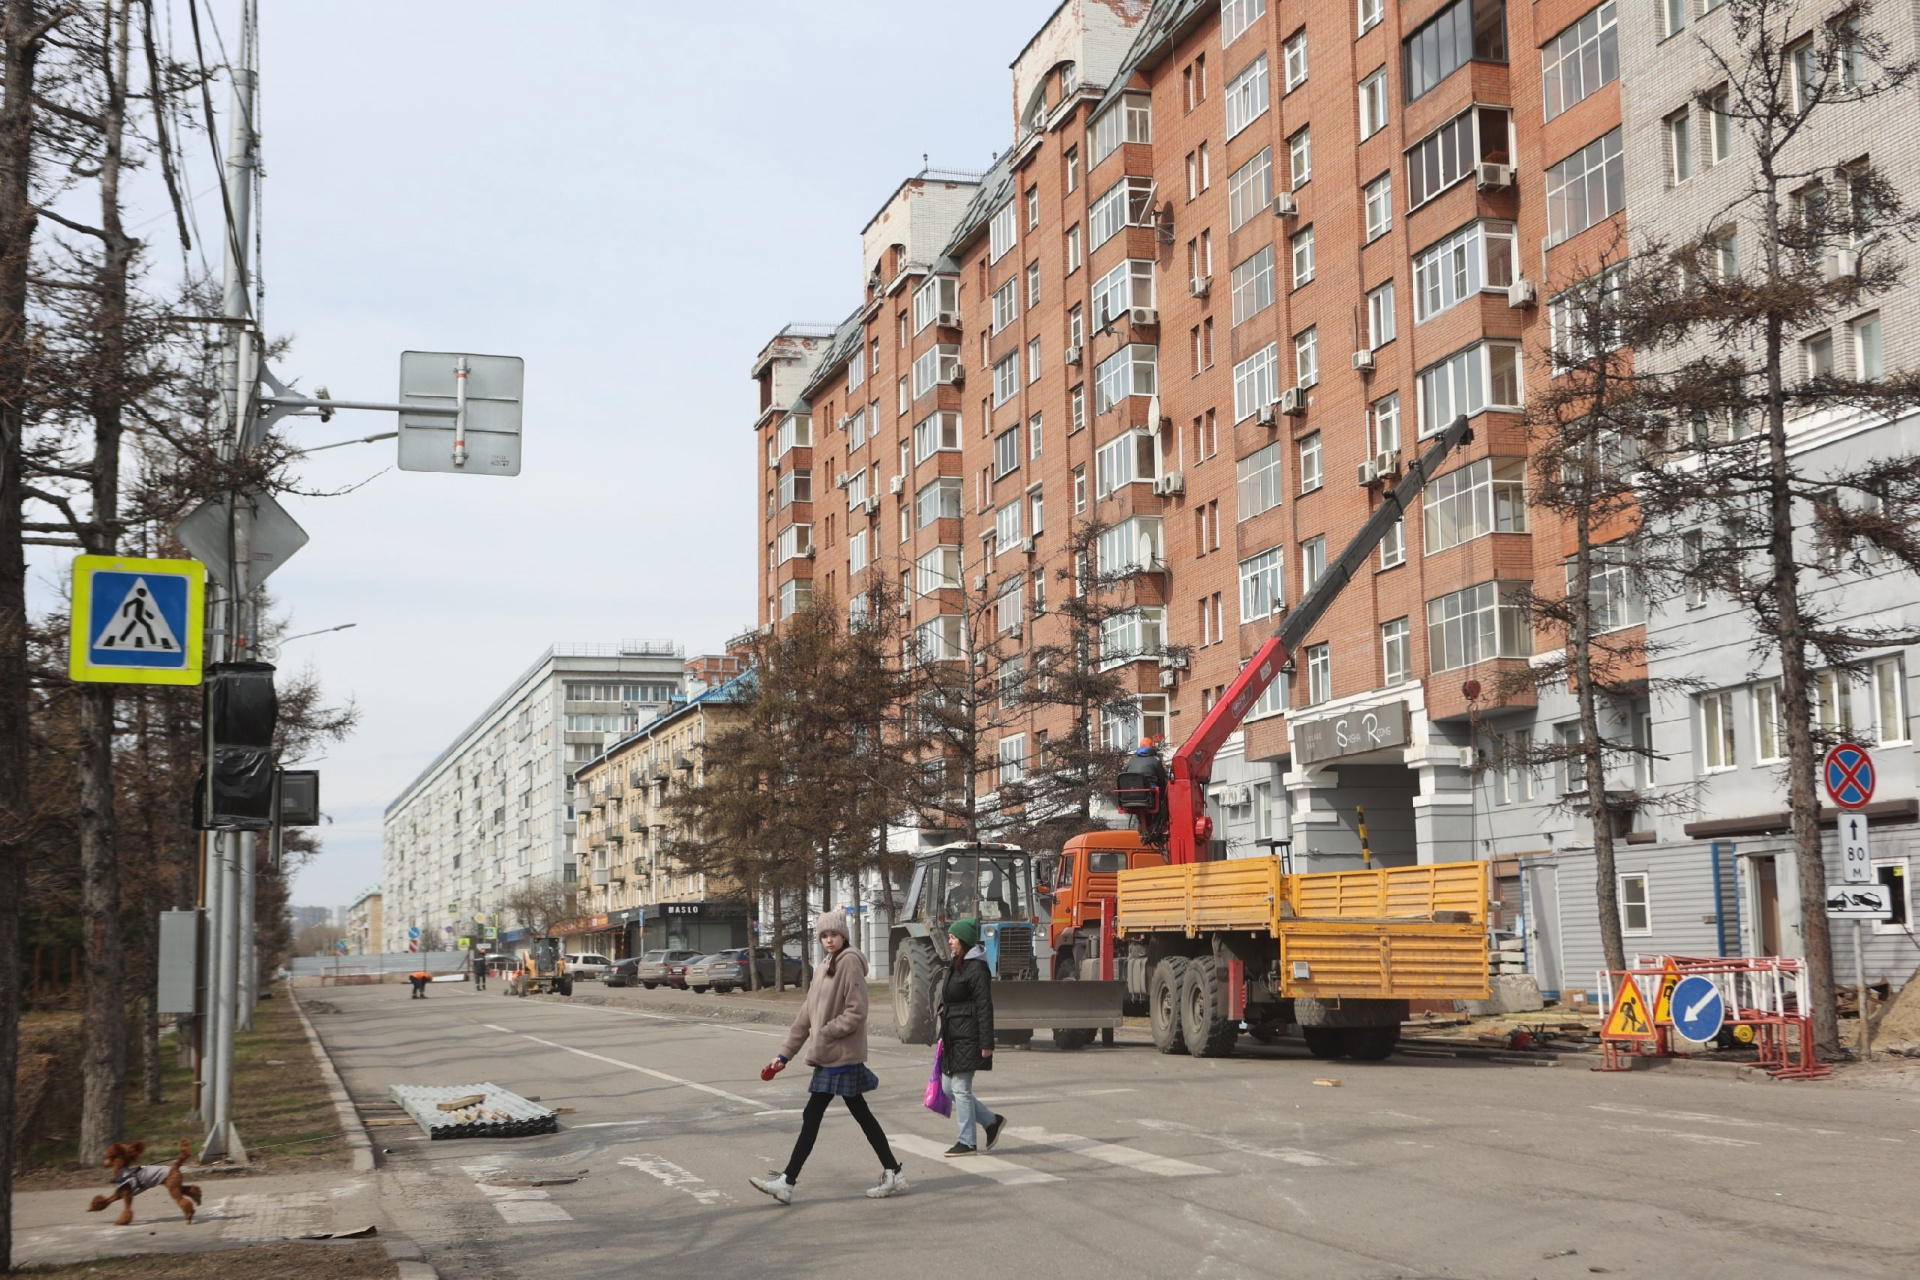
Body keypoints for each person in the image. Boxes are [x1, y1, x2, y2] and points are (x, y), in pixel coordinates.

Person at [749, 911, 908, 1204]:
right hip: (829, 1054)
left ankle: (787, 1182)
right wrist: (784, 1055)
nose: (829, 940)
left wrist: (827, 1032)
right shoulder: (824, 966)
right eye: (824, 935)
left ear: (843, 936)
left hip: (841, 1053)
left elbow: (857, 1011)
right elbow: (806, 1014)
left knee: (815, 1115)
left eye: (834, 934)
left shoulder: (849, 962)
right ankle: (893, 1171)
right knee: (858, 1114)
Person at [937, 916, 1004, 1157]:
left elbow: (985, 1007)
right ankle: (990, 1121)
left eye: (953, 937)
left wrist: (986, 1043)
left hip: (970, 1037)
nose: (950, 941)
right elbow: (950, 1005)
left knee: (961, 1088)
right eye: (950, 937)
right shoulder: (957, 964)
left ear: (964, 940)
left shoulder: (977, 969)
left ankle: (967, 1141)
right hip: (954, 1037)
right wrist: (942, 1035)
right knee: (948, 1088)